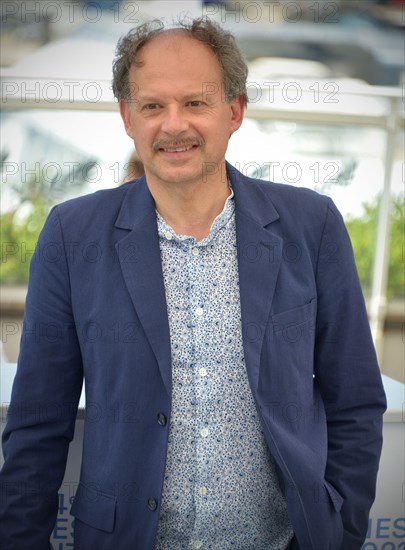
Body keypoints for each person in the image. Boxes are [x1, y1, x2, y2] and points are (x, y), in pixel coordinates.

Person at [0, 18, 386, 550]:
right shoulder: (72, 235)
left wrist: (340, 533)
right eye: (153, 106)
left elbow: (356, 402)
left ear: (235, 111)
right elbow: (39, 422)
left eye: (195, 104)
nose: (173, 125)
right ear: (126, 117)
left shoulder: (311, 226)